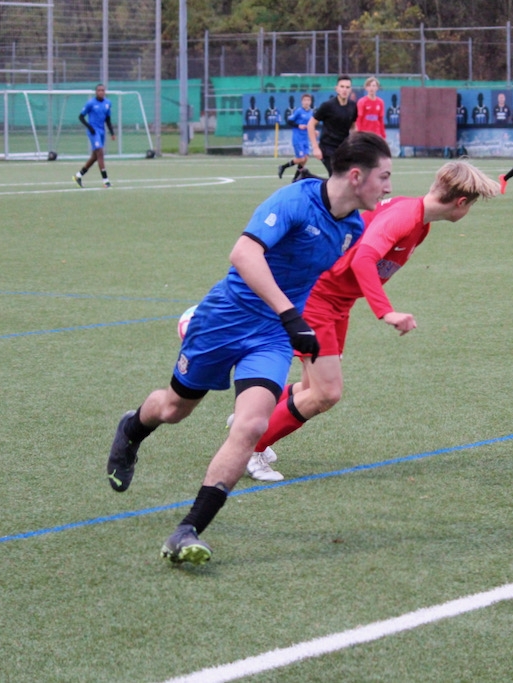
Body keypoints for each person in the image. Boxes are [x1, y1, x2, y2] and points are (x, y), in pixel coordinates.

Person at [105, 133, 393, 566]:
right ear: (356, 176)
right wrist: (290, 314)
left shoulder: (352, 227)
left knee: (252, 424)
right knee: (174, 409)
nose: (388, 186)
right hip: (224, 319)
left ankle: (188, 530)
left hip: (272, 335)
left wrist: (303, 320)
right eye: (383, 176)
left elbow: (310, 279)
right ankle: (131, 430)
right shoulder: (294, 200)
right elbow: (243, 253)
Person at [236, 161, 501, 481]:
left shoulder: (419, 222)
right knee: (326, 393)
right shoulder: (405, 216)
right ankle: (249, 448)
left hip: (337, 301)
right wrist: (386, 311)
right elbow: (363, 259)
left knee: (311, 387)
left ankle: (248, 415)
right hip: (319, 298)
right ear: (461, 202)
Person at [307, 75, 358, 177]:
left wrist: (355, 142)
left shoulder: (353, 106)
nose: (344, 90)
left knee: (346, 176)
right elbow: (311, 124)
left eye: (347, 87)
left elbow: (353, 126)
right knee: (337, 176)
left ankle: (307, 175)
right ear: (336, 89)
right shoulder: (328, 106)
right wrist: (315, 147)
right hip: (327, 147)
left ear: (350, 90)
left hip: (343, 147)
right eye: (342, 87)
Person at [73, 84, 115, 189]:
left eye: (103, 90)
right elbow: (81, 117)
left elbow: (108, 119)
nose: (101, 92)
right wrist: (89, 127)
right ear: (96, 92)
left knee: (95, 157)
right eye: (99, 90)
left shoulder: (108, 103)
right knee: (100, 153)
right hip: (93, 132)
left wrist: (112, 133)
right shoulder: (90, 103)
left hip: (101, 132)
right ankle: (106, 181)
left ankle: (78, 176)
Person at [277, 93, 313, 180]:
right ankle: (283, 167)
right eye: (305, 100)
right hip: (298, 138)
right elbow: (289, 121)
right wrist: (298, 125)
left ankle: (295, 178)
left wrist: (313, 131)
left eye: (308, 100)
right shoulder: (299, 111)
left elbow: (310, 124)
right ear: (301, 102)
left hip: (305, 139)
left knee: (306, 158)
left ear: (310, 102)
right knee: (301, 159)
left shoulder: (311, 112)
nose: (306, 102)